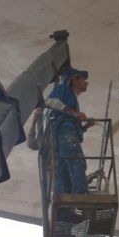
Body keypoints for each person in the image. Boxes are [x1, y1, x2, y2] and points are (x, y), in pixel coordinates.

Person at [46, 67, 94, 195]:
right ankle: (81, 194)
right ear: (75, 78)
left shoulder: (71, 96)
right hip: (64, 133)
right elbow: (50, 102)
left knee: (64, 169)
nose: (87, 83)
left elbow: (72, 124)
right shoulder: (64, 89)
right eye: (83, 79)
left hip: (64, 134)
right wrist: (75, 113)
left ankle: (64, 200)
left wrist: (85, 127)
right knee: (76, 161)